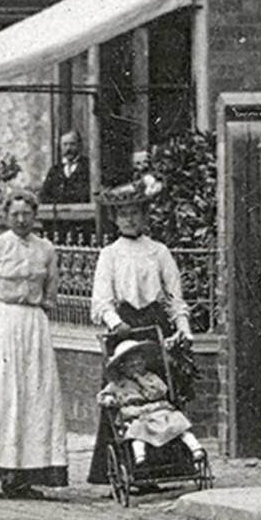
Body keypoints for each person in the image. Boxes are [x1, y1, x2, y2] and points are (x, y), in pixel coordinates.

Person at [88, 180, 194, 484]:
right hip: (123, 328)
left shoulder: (158, 252)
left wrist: (183, 328)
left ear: (145, 215)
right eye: (123, 214)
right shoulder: (109, 254)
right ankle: (124, 470)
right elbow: (101, 299)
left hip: (153, 326)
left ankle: (165, 467)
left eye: (135, 212)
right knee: (125, 398)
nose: (130, 219)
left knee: (159, 393)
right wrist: (113, 322)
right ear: (115, 219)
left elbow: (174, 296)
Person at [0, 188, 68, 499]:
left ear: (35, 216)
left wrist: (34, 308)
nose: (21, 220)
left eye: (27, 214)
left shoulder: (46, 249)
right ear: (5, 216)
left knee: (33, 396)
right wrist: (0, 316)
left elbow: (51, 291)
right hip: (0, 322)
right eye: (15, 214)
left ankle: (21, 477)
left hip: (33, 324)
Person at [98, 337, 205, 471]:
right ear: (122, 367)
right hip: (135, 414)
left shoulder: (151, 377)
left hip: (157, 410)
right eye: (131, 365)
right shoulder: (118, 384)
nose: (136, 367)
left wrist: (141, 380)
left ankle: (195, 448)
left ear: (144, 362)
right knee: (138, 430)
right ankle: (140, 457)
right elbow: (102, 395)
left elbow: (159, 392)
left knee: (177, 421)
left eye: (139, 363)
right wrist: (108, 399)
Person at [40, 130, 91, 204]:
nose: (68, 149)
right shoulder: (54, 170)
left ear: (79, 146)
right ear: (60, 147)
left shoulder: (88, 167)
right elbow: (45, 195)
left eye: (72, 144)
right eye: (65, 144)